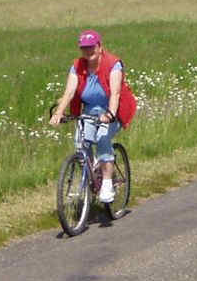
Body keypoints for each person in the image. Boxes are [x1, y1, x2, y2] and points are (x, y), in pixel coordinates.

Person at [48, 29, 137, 203]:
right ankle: (89, 180)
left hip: (113, 110)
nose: (88, 52)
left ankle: (106, 184)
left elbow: (116, 92)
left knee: (102, 137)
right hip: (89, 111)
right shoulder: (78, 66)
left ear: (99, 46)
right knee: (81, 143)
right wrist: (59, 112)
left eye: (91, 47)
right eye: (84, 48)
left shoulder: (112, 64)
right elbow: (70, 91)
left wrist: (110, 113)